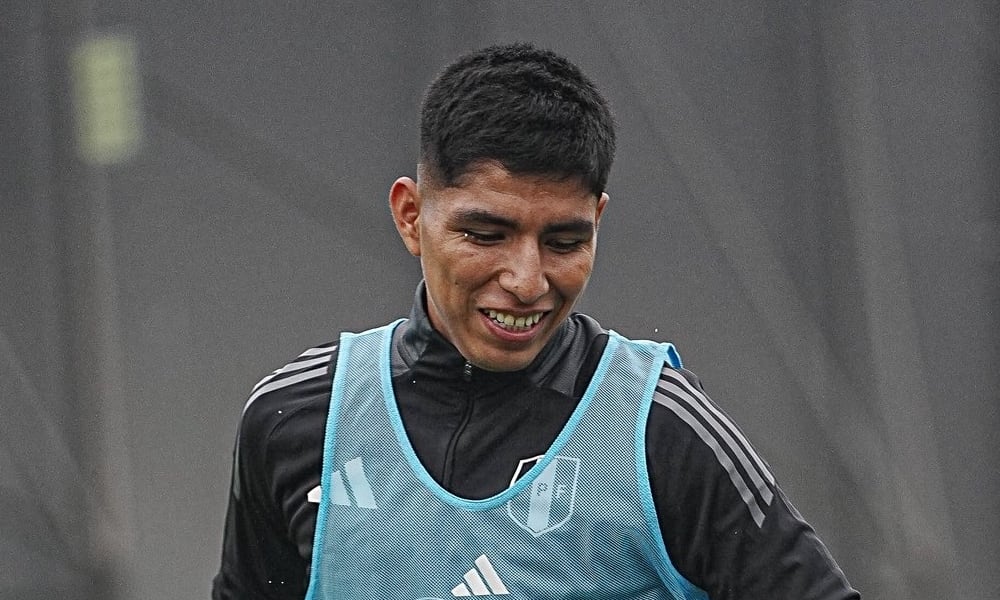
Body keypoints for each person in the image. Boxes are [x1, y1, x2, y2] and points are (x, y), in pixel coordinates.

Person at [212, 42, 859, 600]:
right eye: (486, 233)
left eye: (564, 242)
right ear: (411, 216)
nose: (527, 280)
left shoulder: (662, 433)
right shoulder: (294, 420)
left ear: (599, 223)